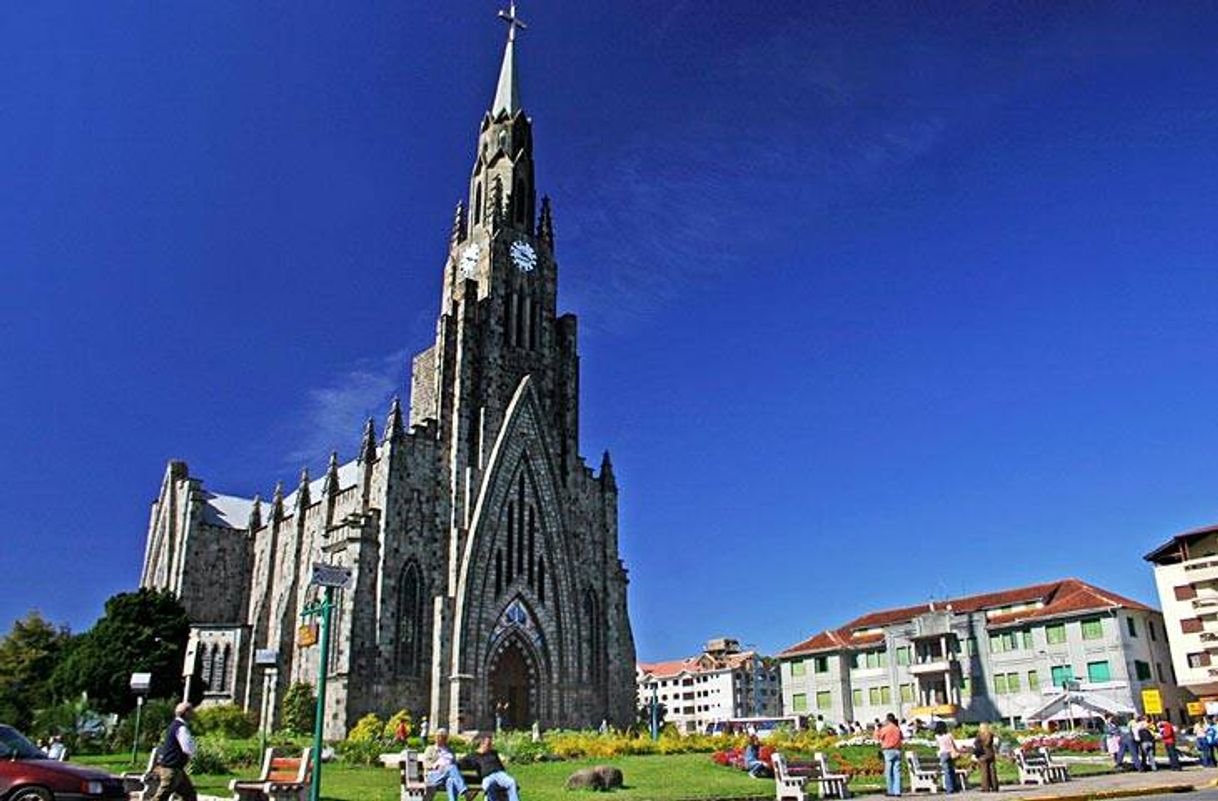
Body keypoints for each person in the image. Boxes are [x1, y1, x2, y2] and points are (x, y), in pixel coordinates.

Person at [152, 701, 197, 801]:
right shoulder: (181, 728)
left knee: (190, 795)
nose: (193, 714)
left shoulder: (173, 725)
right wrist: (194, 753)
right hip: (171, 769)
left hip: (176, 769)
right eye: (191, 711)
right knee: (161, 797)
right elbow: (187, 747)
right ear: (186, 713)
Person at [459, 735, 520, 801]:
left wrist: (503, 772)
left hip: (499, 774)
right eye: (488, 744)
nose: (491, 745)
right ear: (482, 744)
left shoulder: (493, 753)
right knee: (487, 786)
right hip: (487, 777)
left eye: (490, 743)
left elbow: (500, 765)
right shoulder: (474, 756)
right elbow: (462, 763)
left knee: (512, 782)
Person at [423, 728, 470, 801]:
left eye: (443, 737)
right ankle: (465, 792)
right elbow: (426, 763)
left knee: (451, 780)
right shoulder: (430, 749)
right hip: (433, 775)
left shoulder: (450, 750)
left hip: (447, 775)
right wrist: (436, 766)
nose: (440, 739)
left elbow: (454, 763)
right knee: (451, 768)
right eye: (439, 737)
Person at [876, 713, 903, 796]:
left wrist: (878, 728)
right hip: (897, 750)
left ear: (887, 719)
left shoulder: (885, 728)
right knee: (897, 771)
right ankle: (897, 791)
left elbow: (878, 736)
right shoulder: (897, 728)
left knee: (888, 771)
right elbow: (902, 737)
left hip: (888, 750)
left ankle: (890, 791)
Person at [934, 722, 962, 794]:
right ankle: (955, 787)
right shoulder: (949, 735)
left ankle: (949, 789)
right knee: (952, 770)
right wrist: (957, 751)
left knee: (947, 772)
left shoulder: (937, 736)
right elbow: (953, 744)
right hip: (951, 753)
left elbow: (938, 746)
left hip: (943, 754)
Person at [974, 722, 998, 793]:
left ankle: (985, 787)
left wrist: (980, 745)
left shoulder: (979, 735)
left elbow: (976, 744)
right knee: (992, 771)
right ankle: (994, 787)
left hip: (983, 755)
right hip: (990, 754)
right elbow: (988, 743)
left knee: (984, 772)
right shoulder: (990, 734)